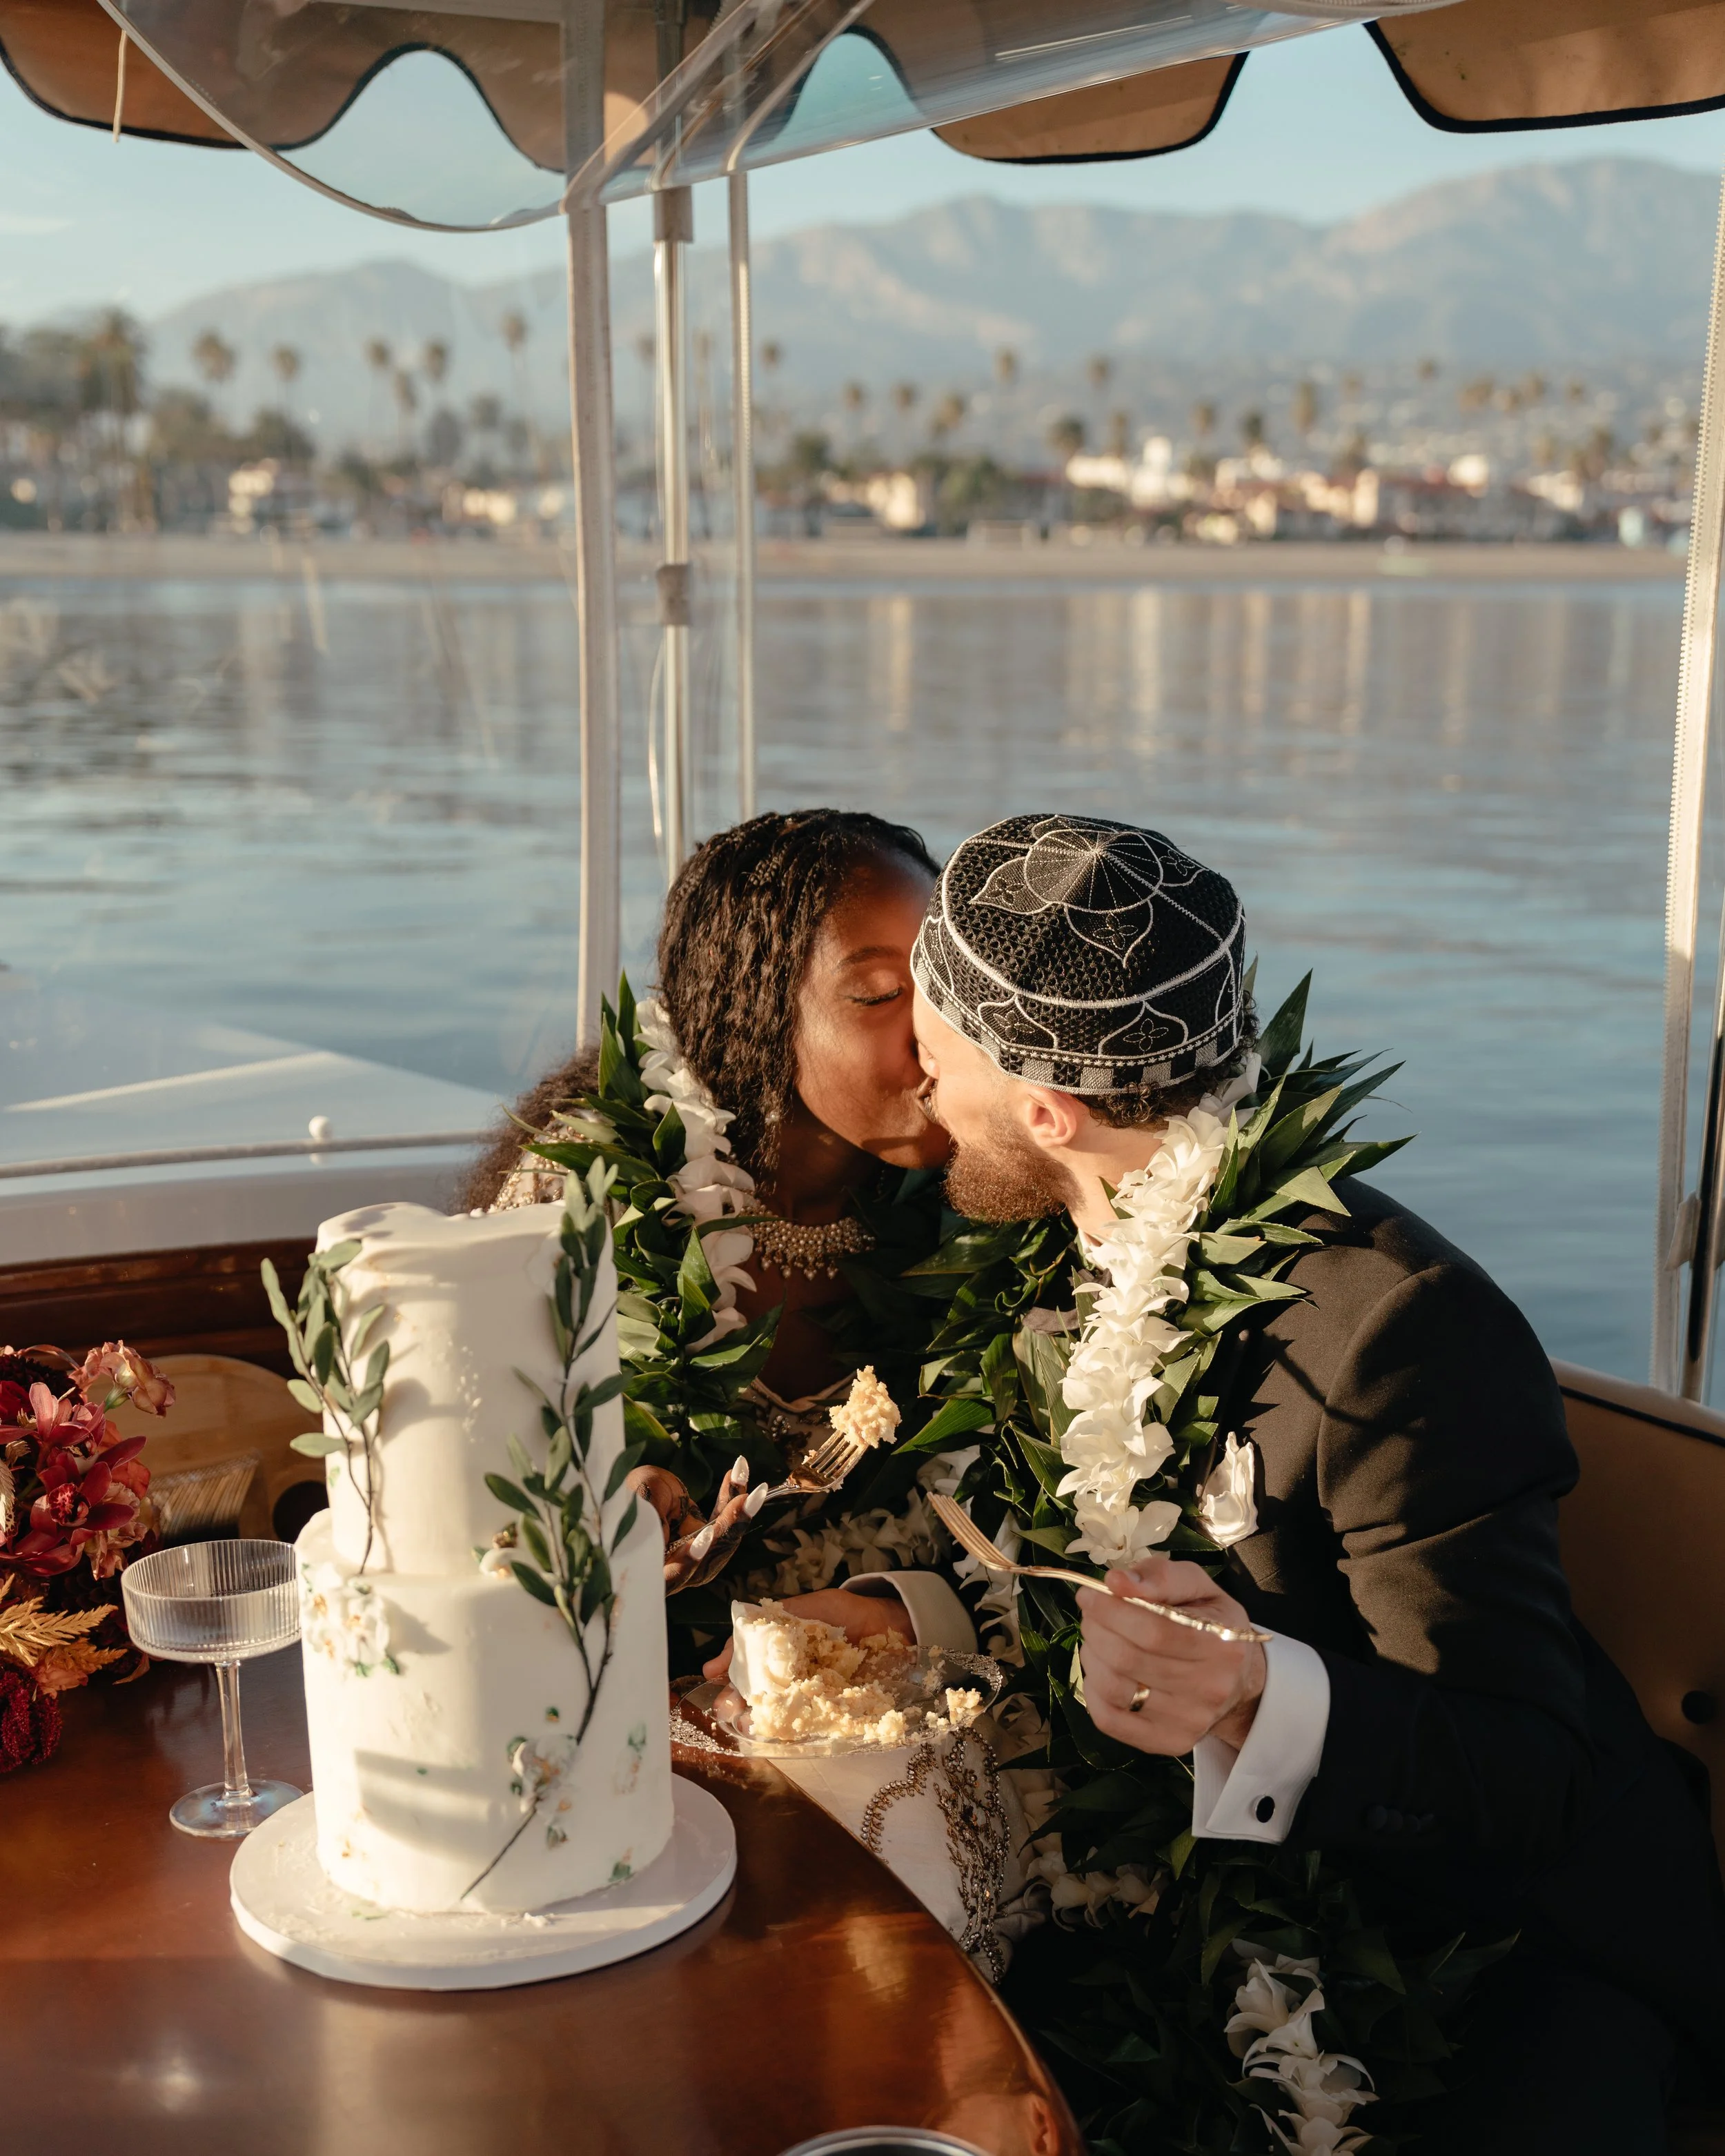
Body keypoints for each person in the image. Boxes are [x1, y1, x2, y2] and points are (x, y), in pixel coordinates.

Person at [905, 810, 1725, 2150]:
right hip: (1168, 1875)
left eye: (937, 1066)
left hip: (1476, 1953)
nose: (918, 1093)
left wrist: (1250, 1687)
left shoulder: (1402, 1332)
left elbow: (1528, 1781)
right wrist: (908, 1607)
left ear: (1048, 1112)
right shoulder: (1052, 1240)